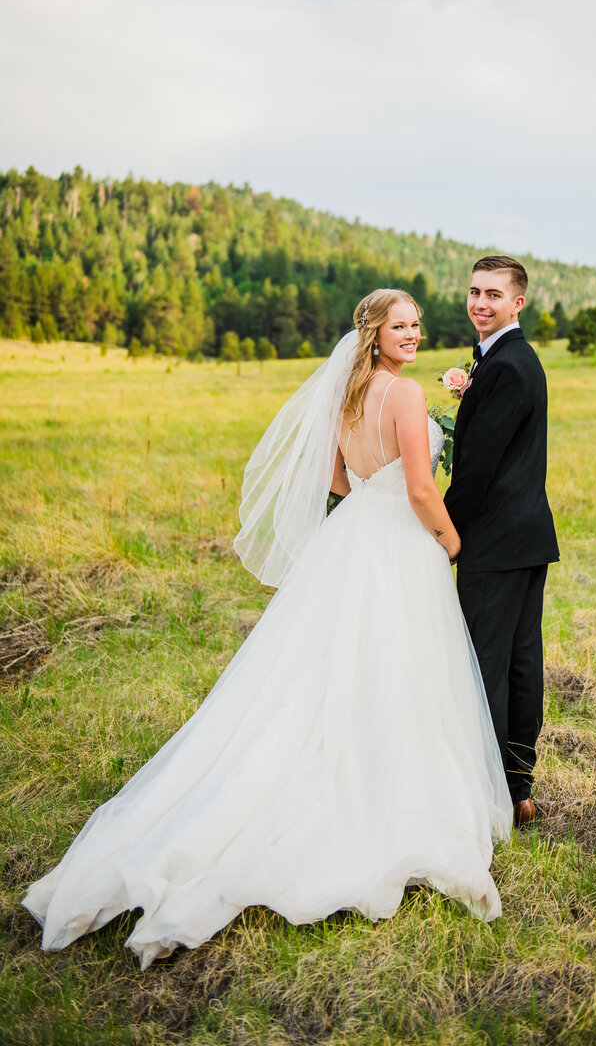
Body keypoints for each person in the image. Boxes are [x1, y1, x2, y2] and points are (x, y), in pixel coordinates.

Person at [22, 289, 512, 970]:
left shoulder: (345, 392)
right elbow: (423, 490)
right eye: (401, 326)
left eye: (417, 326)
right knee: (399, 664)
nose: (413, 335)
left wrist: (370, 495)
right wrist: (451, 544)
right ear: (374, 332)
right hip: (399, 540)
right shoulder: (400, 395)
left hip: (351, 538)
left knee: (325, 667)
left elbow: (331, 477)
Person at [444, 257, 559, 826]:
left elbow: (477, 469)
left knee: (486, 666)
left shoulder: (509, 366)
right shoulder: (503, 360)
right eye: (473, 292)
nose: (479, 303)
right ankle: (517, 790)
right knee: (518, 663)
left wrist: (441, 530)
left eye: (493, 294)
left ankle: (492, 796)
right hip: (522, 539)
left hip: (494, 541)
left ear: (518, 303)